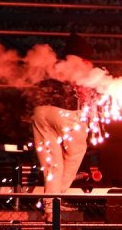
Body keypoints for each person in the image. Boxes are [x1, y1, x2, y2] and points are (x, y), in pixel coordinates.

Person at [30, 32, 96, 219]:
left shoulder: (56, 65)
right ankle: (57, 195)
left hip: (40, 112)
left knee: (53, 165)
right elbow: (86, 98)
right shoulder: (84, 67)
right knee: (76, 152)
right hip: (66, 112)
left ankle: (51, 208)